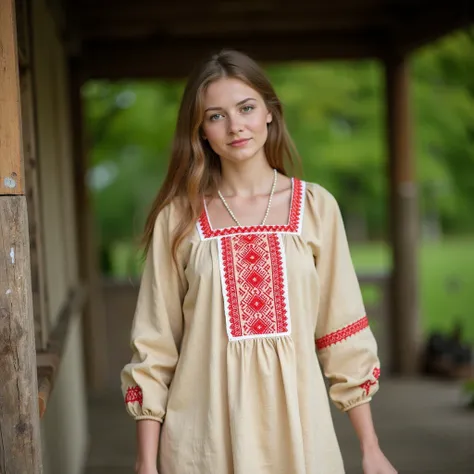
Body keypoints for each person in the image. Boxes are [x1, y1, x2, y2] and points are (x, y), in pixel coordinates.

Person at [120, 50, 397, 474]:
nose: (235, 126)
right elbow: (154, 346)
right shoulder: (177, 220)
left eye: (246, 108)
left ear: (269, 113)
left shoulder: (317, 207)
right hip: (203, 442)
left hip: (302, 438)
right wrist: (146, 462)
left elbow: (343, 332)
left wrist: (371, 449)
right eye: (216, 116)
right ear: (201, 132)